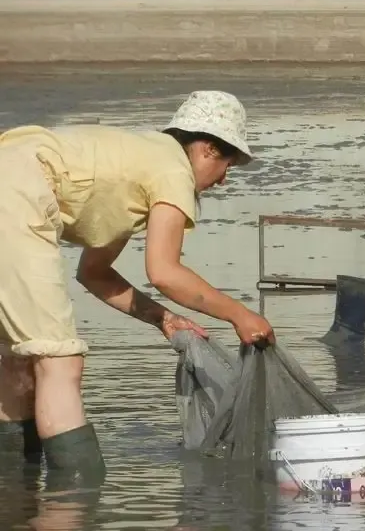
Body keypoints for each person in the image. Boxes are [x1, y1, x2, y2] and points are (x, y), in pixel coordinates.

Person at [0, 90, 276, 484]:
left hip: (11, 171)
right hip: (16, 191)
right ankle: (78, 498)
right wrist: (240, 315)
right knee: (60, 362)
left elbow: (94, 273)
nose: (223, 180)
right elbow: (164, 272)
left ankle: (14, 490)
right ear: (208, 149)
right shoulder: (173, 169)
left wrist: (162, 318)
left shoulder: (140, 162)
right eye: (227, 165)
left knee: (18, 359)